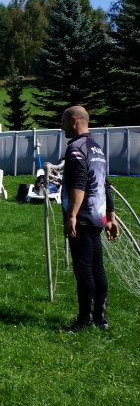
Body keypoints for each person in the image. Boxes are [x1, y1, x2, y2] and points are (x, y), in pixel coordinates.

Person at [59, 105, 120, 332]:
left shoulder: (76, 148)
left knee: (84, 270)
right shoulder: (96, 148)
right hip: (98, 217)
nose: (62, 126)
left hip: (82, 218)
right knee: (98, 269)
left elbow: (79, 182)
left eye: (64, 121)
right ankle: (100, 319)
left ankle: (84, 320)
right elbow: (106, 184)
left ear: (74, 121)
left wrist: (72, 215)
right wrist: (110, 218)